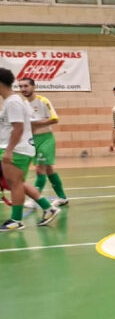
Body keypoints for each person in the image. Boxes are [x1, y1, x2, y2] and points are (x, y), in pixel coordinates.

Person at [0, 68, 60, 231]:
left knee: (16, 184)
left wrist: (9, 151)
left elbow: (18, 128)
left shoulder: (13, 102)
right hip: (15, 148)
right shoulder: (14, 101)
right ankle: (48, 208)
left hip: (16, 150)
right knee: (18, 183)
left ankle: (16, 220)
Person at [18, 78, 69, 207]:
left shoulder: (43, 101)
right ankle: (62, 198)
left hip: (46, 139)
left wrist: (36, 123)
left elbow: (55, 119)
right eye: (21, 86)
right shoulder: (23, 104)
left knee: (40, 169)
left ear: (33, 87)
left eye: (26, 86)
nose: (23, 89)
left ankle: (35, 199)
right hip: (32, 140)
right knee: (49, 170)